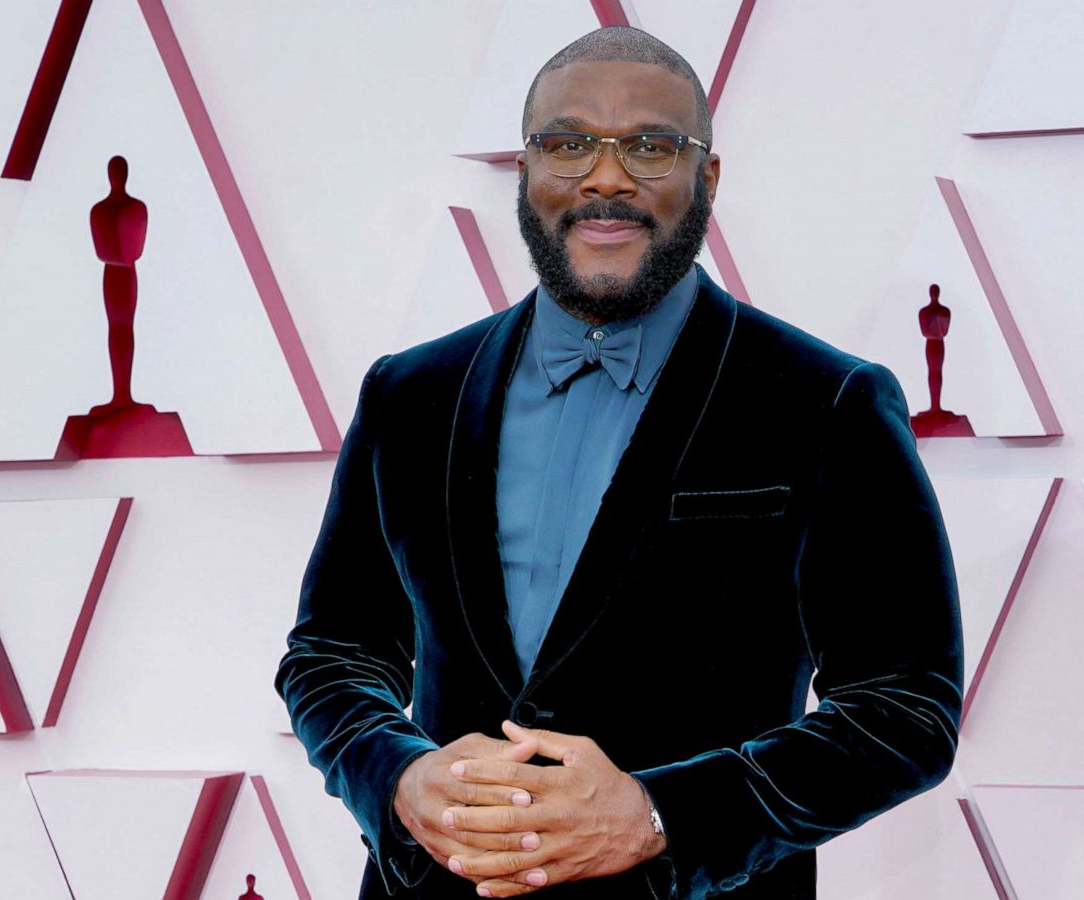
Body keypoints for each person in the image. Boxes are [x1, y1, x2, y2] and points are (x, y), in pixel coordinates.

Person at [276, 25, 962, 900]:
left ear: (706, 178)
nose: (606, 179)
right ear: (524, 173)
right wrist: (398, 779)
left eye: (650, 146)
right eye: (568, 145)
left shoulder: (826, 401)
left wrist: (657, 815)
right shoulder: (411, 394)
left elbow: (907, 707)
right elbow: (331, 651)